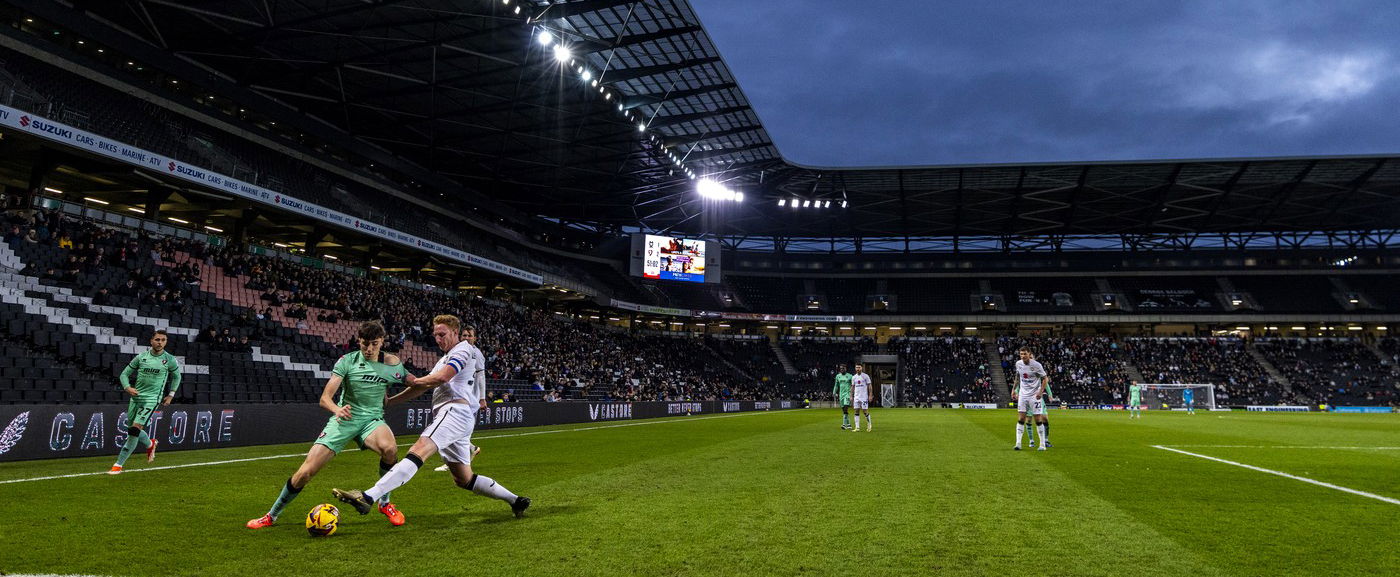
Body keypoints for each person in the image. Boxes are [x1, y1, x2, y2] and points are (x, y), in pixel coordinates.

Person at [333, 314, 530, 519]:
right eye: (435, 335)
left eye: (442, 334)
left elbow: (442, 377)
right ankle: (516, 501)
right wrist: (391, 401)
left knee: (419, 449)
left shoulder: (463, 349)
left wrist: (409, 380)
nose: (438, 339)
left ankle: (368, 496)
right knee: (464, 479)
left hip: (454, 412)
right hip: (458, 418)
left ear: (455, 332)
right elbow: (422, 386)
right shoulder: (444, 359)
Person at [246, 321, 410, 529]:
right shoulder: (347, 361)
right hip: (344, 420)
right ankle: (271, 515)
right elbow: (325, 398)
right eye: (364, 344)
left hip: (372, 421)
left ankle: (385, 504)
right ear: (358, 341)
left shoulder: (392, 363)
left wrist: (433, 383)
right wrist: (337, 410)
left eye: (374, 344)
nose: (369, 349)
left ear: (382, 342)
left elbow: (415, 382)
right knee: (305, 472)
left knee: (390, 449)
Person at [109, 330, 181, 474]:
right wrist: (127, 387)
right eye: (157, 339)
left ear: (166, 342)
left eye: (163, 340)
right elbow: (124, 374)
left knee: (134, 430)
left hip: (152, 399)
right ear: (151, 341)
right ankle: (150, 443)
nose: (160, 342)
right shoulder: (141, 357)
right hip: (135, 398)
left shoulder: (170, 359)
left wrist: (171, 395)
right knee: (131, 429)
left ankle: (118, 465)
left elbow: (176, 377)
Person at [436, 325, 485, 472]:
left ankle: (456, 462)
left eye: (470, 336)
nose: (467, 338)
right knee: (457, 431)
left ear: (474, 338)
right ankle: (470, 450)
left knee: (453, 430)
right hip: (459, 396)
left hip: (468, 398)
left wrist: (482, 398)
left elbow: (481, 376)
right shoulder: (458, 351)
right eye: (464, 335)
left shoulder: (476, 353)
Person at [1012, 347, 1048, 451]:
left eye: (1025, 354)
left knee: (1037, 419)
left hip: (1034, 395)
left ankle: (1042, 445)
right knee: (1021, 418)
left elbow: (1045, 378)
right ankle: (1018, 443)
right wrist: (1013, 389)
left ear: (1029, 354)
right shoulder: (1018, 364)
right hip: (1023, 395)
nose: (1023, 356)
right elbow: (1017, 377)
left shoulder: (1036, 365)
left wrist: (1040, 392)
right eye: (1021, 354)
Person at [851, 364, 872, 432]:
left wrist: (870, 395)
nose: (857, 369)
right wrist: (851, 395)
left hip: (864, 397)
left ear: (861, 368)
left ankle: (869, 424)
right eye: (856, 367)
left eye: (859, 367)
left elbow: (869, 386)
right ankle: (857, 427)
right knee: (856, 411)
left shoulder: (865, 376)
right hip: (856, 397)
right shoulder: (854, 377)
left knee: (865, 411)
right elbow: (853, 387)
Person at [833, 364, 853, 430]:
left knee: (845, 408)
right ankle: (849, 424)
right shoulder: (838, 376)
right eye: (841, 368)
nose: (842, 369)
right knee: (844, 410)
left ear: (846, 369)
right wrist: (834, 392)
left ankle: (844, 424)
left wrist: (852, 394)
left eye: (843, 368)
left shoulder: (850, 376)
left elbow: (853, 385)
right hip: (841, 394)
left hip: (847, 394)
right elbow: (836, 385)